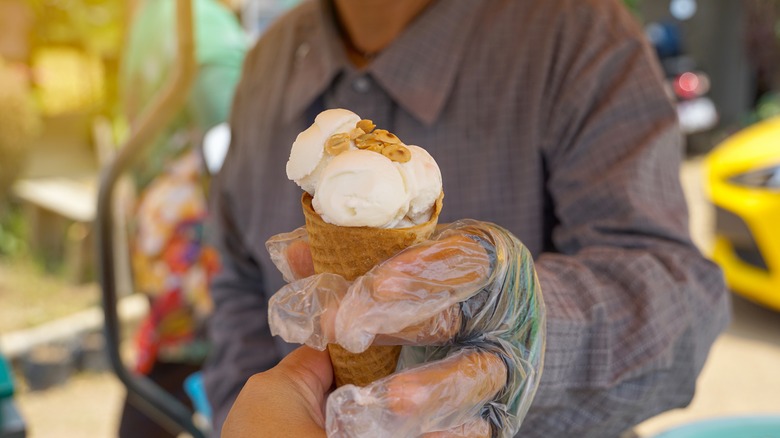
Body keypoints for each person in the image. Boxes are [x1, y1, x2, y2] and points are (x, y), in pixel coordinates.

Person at [203, 0, 731, 436]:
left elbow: (686, 304)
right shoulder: (266, 66)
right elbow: (238, 291)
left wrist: (525, 327)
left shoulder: (577, 32)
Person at [118, 0, 247, 436]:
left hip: (162, 218)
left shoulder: (155, 16)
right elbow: (229, 134)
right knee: (197, 354)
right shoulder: (205, 24)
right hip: (192, 226)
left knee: (174, 354)